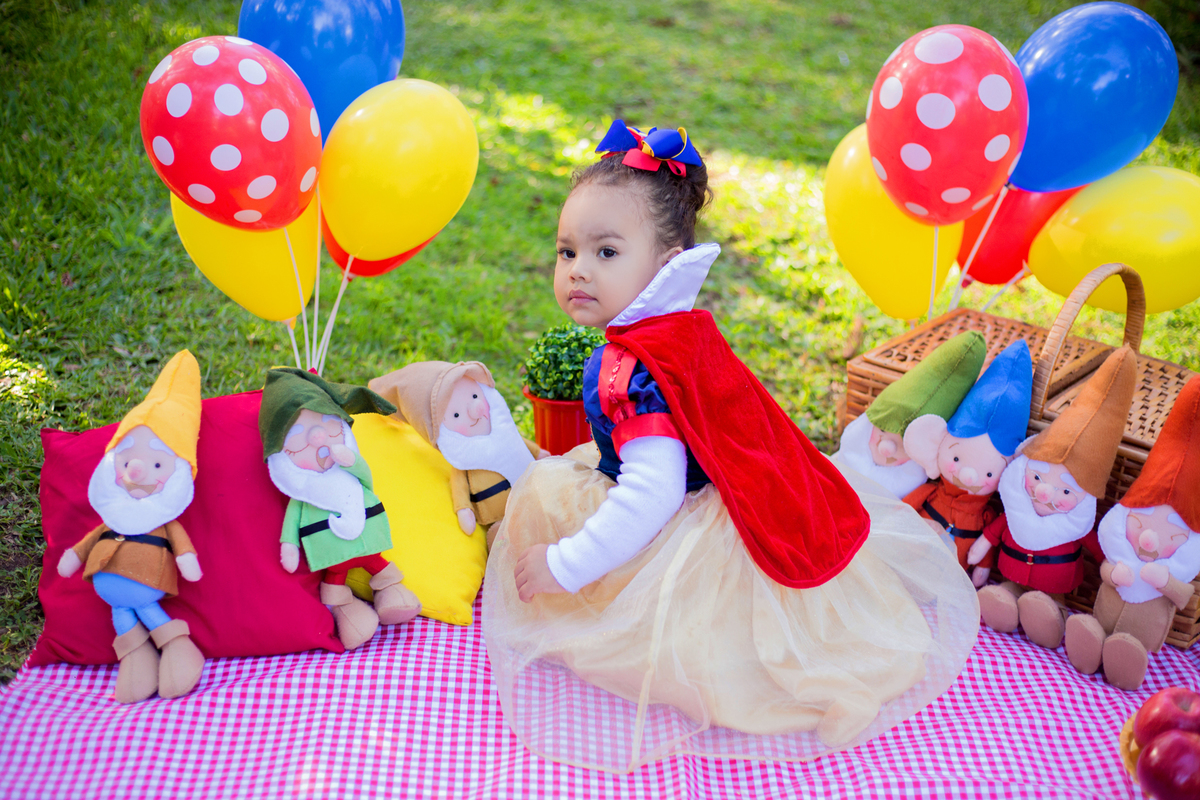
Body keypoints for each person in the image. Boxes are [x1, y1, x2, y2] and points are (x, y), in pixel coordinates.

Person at [482, 120, 979, 772]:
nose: (577, 270)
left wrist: (569, 564)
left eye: (606, 252)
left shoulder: (633, 368)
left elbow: (653, 490)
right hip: (721, 486)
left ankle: (749, 681)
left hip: (680, 516)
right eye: (567, 251)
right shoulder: (676, 328)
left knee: (672, 618)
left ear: (663, 265)